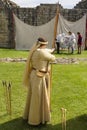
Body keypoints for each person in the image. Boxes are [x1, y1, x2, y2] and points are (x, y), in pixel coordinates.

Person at [23, 37, 56, 125]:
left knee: (34, 96)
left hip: (34, 74)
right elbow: (52, 58)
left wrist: (51, 49)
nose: (46, 46)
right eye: (45, 45)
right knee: (38, 98)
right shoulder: (41, 52)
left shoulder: (35, 50)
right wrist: (52, 52)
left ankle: (32, 116)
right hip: (39, 76)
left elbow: (46, 51)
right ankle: (35, 120)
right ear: (43, 44)